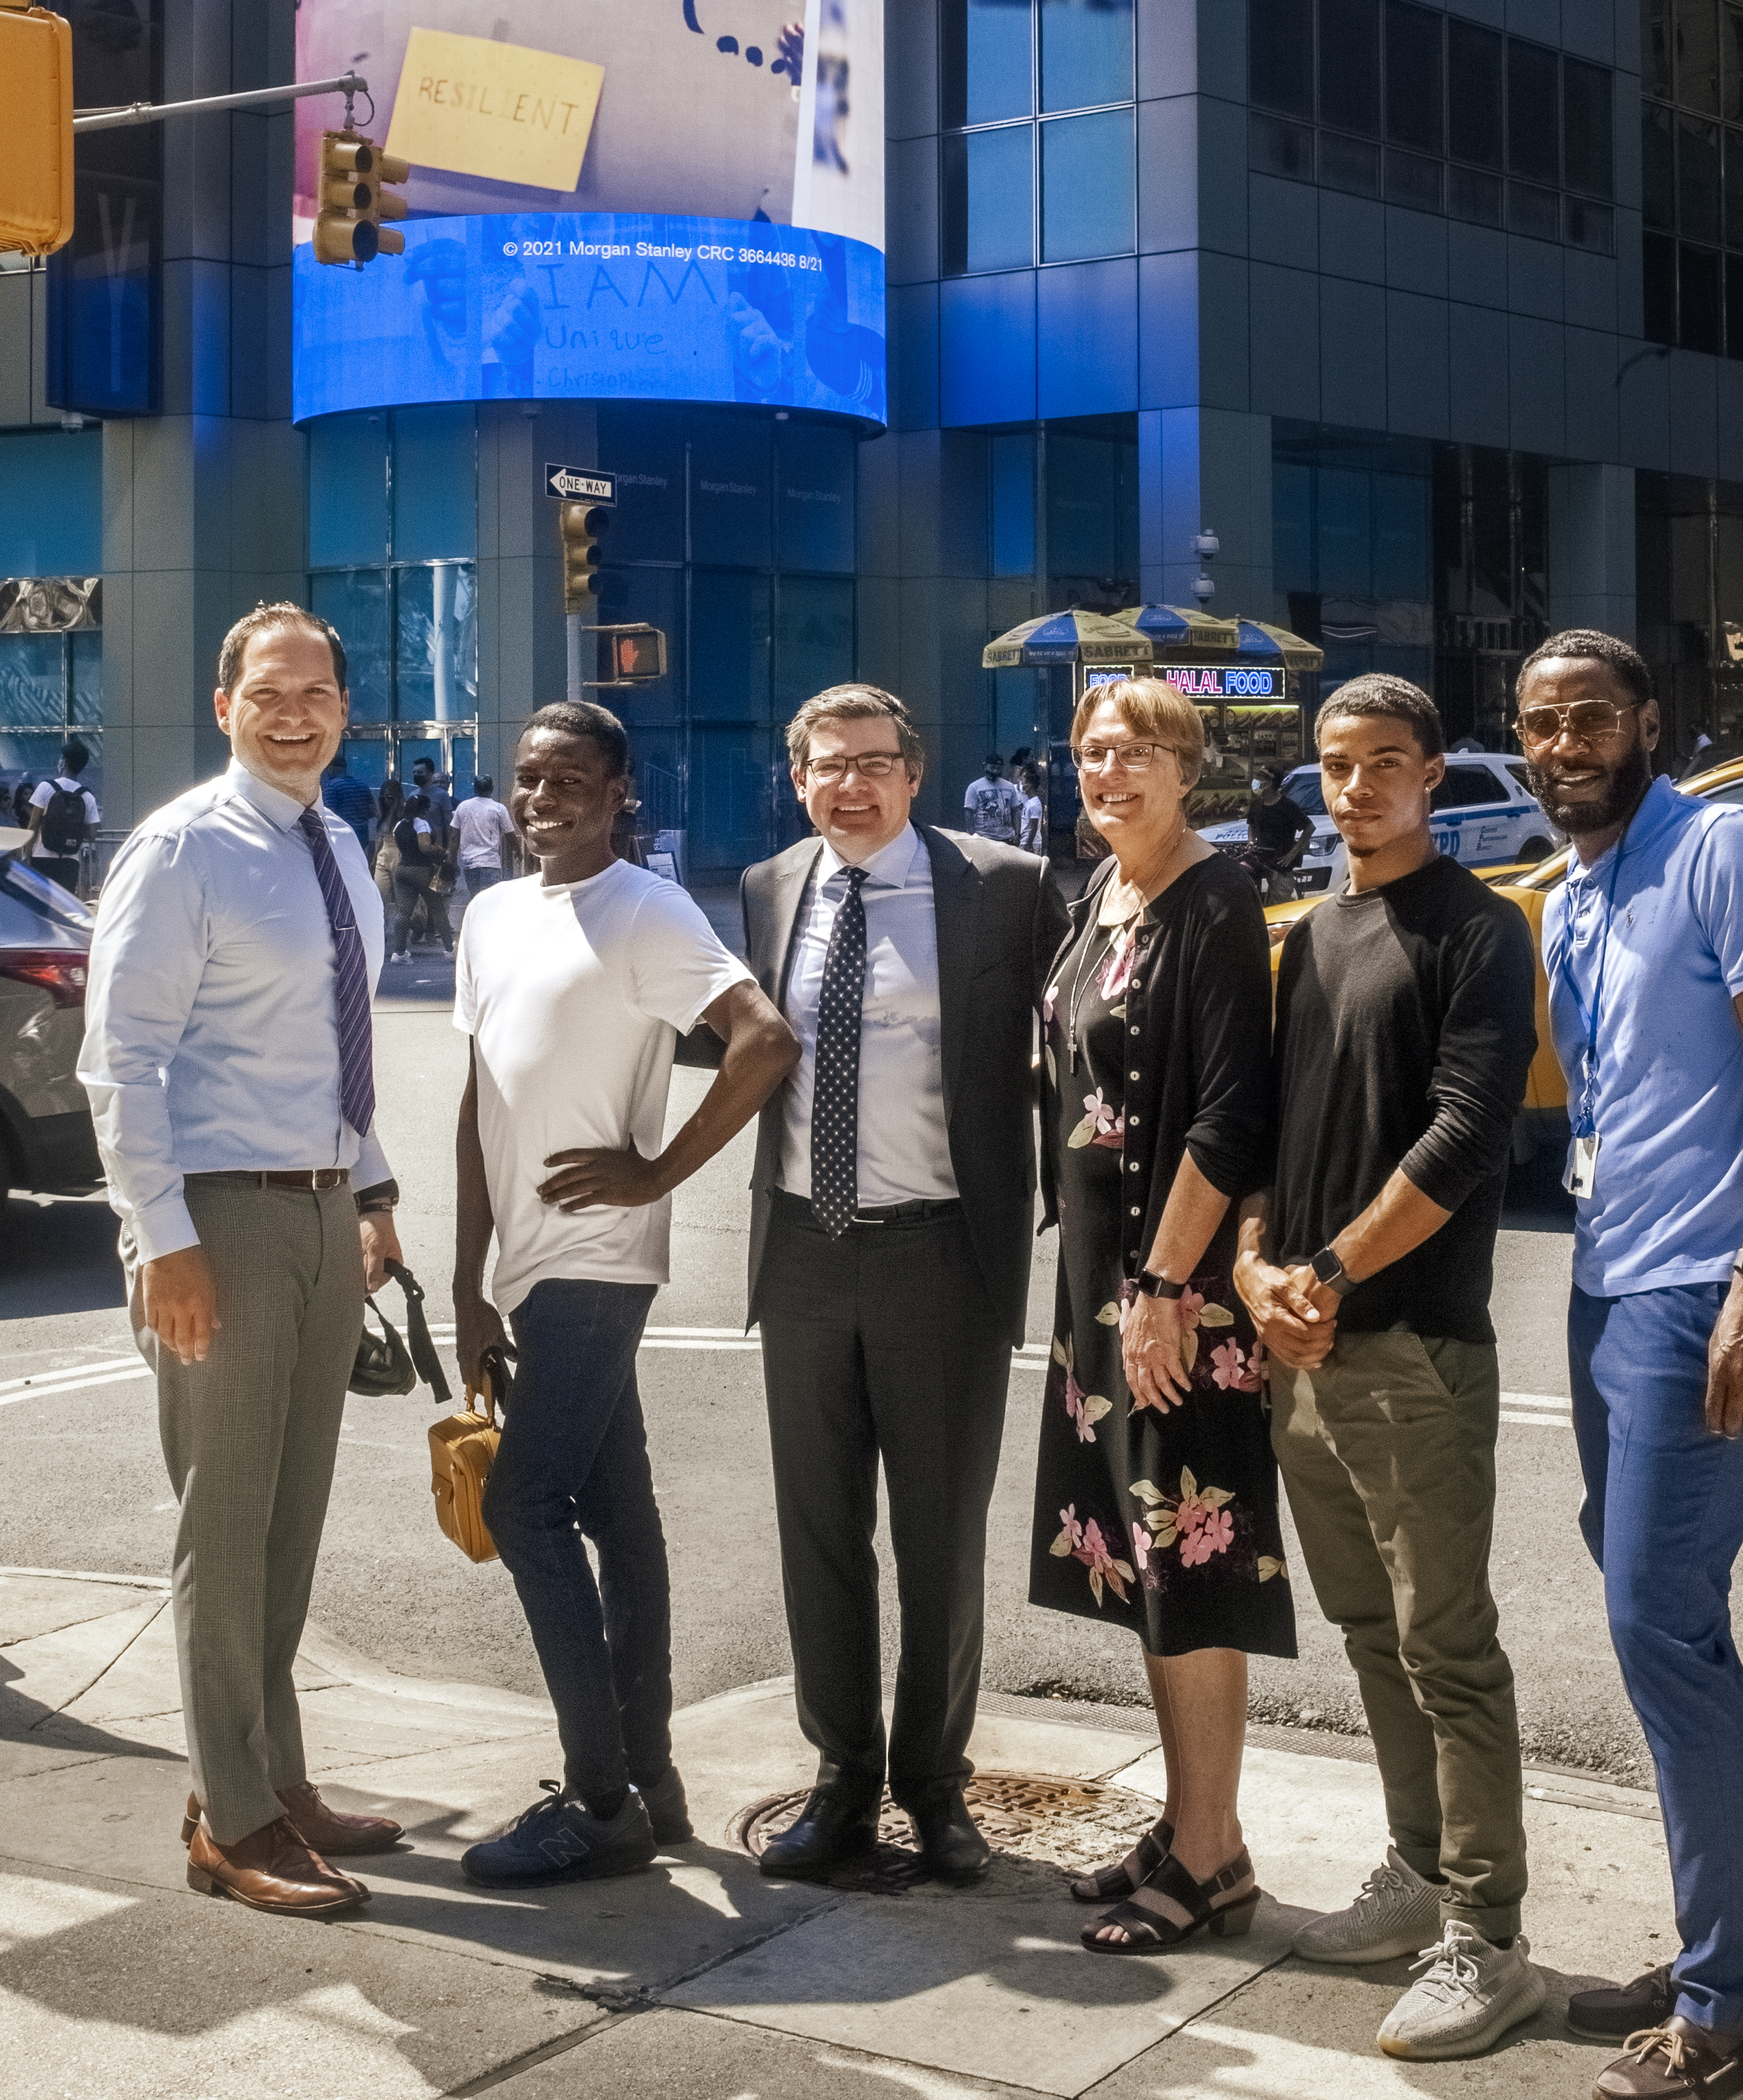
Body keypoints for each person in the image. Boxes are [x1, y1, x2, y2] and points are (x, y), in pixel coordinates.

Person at [1522, 629, 1743, 2098]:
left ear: (1646, 720)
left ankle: (1724, 2009)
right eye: (1538, 724)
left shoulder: (1721, 848)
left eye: (1589, 716)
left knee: (1656, 1615)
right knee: (1652, 1611)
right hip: (1607, 1284)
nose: (1563, 743)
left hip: (1713, 1292)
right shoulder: (1576, 887)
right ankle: (1734, 1947)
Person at [76, 603, 406, 1917]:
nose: (295, 709)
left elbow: (336, 1042)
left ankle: (275, 1772)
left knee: (291, 1515)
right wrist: (165, 1240)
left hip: (324, 1211)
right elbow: (122, 1061)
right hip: (217, 1216)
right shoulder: (181, 848)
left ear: (342, 705)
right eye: (269, 689)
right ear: (225, 704)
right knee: (225, 1525)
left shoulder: (335, 841)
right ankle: (232, 1818)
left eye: (317, 688)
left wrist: (371, 1189)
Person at [1236, 672, 1542, 2062]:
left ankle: (1488, 1933)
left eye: (1382, 765)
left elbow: (1472, 1127)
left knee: (1446, 1646)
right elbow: (1266, 1135)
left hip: (1411, 1343)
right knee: (1369, 1634)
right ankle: (1415, 1868)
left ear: (1431, 775)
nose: (1351, 789)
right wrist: (1253, 1270)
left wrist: (1333, 1271)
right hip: (1301, 1341)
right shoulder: (1311, 933)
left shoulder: (1480, 929)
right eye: (1332, 766)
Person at [451, 701, 796, 1886]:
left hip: (599, 1261)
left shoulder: (647, 908)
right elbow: (481, 1095)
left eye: (572, 780)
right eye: (529, 779)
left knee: (523, 1510)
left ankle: (599, 1798)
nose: (545, 797)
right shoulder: (493, 913)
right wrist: (467, 1274)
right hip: (527, 1268)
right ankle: (646, 1781)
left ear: (619, 793)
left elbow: (763, 1039)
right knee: (618, 1515)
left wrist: (656, 1172)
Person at [739, 683, 1066, 1883]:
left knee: (939, 1539)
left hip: (943, 1254)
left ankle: (934, 1785)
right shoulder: (774, 888)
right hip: (806, 1252)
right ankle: (841, 1780)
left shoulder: (1007, 887)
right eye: (828, 765)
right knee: (820, 1535)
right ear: (799, 777)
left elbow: (1077, 1050)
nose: (850, 786)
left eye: (873, 763)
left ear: (915, 771)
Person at [1027, 678, 1293, 1954]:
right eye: (1092, 751)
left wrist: (1166, 1286)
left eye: (1138, 750)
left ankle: (1207, 1858)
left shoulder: (1214, 897)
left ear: (1190, 768)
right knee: (1142, 1566)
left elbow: (1227, 1110)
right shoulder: (1106, 897)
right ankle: (1200, 1827)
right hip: (1103, 1290)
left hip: (1165, 1295)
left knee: (1187, 1565)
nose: (1110, 770)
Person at [23, 738, 99, 892]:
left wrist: (26, 854)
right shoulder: (87, 796)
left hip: (41, 857)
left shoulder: (46, 787)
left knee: (41, 906)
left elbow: (33, 824)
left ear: (64, 762)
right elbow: (92, 834)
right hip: (70, 861)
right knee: (64, 909)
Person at [1241, 765, 1314, 900]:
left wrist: (1292, 855)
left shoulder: (1287, 806)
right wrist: (1251, 842)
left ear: (1269, 784)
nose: (1256, 781)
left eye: (1260, 779)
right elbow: (1251, 825)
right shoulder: (1256, 804)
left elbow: (1309, 828)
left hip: (1281, 862)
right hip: (1260, 858)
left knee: (1280, 903)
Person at [387, 792, 441, 960]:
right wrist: (441, 852)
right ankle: (449, 949)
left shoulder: (399, 825)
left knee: (403, 913)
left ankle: (399, 951)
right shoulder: (422, 824)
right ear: (423, 809)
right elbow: (425, 848)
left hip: (402, 868)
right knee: (437, 906)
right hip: (421, 870)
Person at [453, 773, 515, 901]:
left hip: (469, 863)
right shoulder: (499, 808)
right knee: (491, 901)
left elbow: (454, 835)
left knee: (475, 899)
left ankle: (476, 920)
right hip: (490, 863)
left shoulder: (463, 807)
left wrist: (451, 859)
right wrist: (519, 851)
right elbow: (510, 834)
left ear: (474, 789)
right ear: (491, 789)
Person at [321, 748, 375, 862]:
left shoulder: (332, 787)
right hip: (362, 834)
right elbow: (372, 811)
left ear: (331, 768)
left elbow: (330, 814)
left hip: (343, 836)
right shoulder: (362, 785)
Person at [963, 752, 1024, 845]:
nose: (995, 771)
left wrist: (1017, 834)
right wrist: (972, 836)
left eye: (998, 768)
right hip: (984, 839)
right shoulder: (974, 787)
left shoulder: (1009, 786)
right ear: (985, 766)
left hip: (1007, 838)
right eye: (992, 768)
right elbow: (969, 813)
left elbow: (1015, 811)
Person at [1017, 759, 1045, 855]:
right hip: (1025, 841)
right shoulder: (1029, 801)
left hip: (1031, 843)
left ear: (1029, 785)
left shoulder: (1035, 804)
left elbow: (1034, 828)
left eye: (1023, 781)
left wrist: (1028, 845)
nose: (1021, 783)